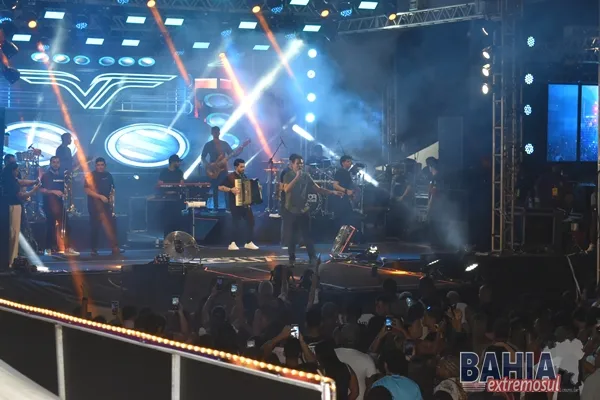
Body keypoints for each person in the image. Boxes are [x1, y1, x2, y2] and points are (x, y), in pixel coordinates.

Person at [282, 154, 343, 265]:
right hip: (291, 210)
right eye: (298, 163)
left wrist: (333, 192)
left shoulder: (306, 175)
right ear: (291, 164)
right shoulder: (288, 175)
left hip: (303, 209)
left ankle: (312, 257)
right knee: (292, 237)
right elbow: (286, 189)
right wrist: (296, 178)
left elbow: (318, 189)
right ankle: (292, 258)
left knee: (307, 235)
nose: (300, 165)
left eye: (302, 163)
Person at [2, 163, 39, 267]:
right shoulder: (12, 184)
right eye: (16, 170)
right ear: (12, 171)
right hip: (14, 207)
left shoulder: (10, 180)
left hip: (11, 207)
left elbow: (22, 182)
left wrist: (34, 181)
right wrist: (34, 190)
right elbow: (22, 195)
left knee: (14, 233)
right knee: (14, 233)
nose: (18, 172)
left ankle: (12, 258)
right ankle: (13, 259)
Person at [40, 156, 79, 256]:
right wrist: (53, 191)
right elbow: (41, 190)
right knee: (50, 226)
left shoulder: (62, 175)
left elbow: (65, 188)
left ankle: (68, 248)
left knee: (66, 225)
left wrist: (66, 193)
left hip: (60, 204)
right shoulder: (46, 176)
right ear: (50, 163)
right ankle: (48, 248)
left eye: (57, 162)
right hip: (48, 205)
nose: (56, 164)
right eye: (54, 162)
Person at [218, 158, 259, 251]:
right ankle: (232, 243)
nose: (243, 168)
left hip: (245, 204)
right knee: (236, 223)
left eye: (244, 166)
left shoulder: (244, 176)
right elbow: (220, 187)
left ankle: (248, 242)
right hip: (234, 203)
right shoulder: (230, 177)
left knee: (251, 221)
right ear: (236, 167)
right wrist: (230, 189)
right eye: (241, 167)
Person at [84, 157, 120, 256]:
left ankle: (114, 247)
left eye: (102, 165)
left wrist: (112, 201)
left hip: (107, 205)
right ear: (95, 166)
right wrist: (100, 196)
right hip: (94, 205)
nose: (100, 167)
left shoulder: (108, 175)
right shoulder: (91, 175)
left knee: (112, 226)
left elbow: (112, 189)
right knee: (95, 227)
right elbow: (87, 190)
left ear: (105, 166)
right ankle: (94, 249)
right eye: (98, 165)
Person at [335, 324, 378, 400]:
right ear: (358, 339)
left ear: (340, 338)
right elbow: (370, 387)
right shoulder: (367, 359)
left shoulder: (331, 355)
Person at [202, 126, 233, 212]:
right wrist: (208, 165)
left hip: (223, 169)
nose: (216, 133)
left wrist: (240, 149)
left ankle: (228, 208)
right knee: (215, 188)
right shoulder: (208, 145)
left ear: (219, 133)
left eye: (217, 132)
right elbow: (203, 157)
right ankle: (215, 207)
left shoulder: (224, 144)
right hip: (213, 170)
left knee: (226, 188)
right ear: (212, 133)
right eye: (214, 132)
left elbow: (232, 154)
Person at [157, 154, 185, 238]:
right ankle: (167, 238)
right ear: (173, 162)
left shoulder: (179, 172)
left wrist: (176, 189)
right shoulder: (164, 172)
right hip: (166, 200)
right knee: (167, 220)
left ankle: (177, 238)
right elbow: (160, 184)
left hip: (176, 199)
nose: (179, 164)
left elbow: (182, 184)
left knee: (177, 220)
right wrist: (167, 190)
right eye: (178, 162)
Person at [332, 155, 359, 232]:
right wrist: (346, 191)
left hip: (345, 199)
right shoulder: (340, 172)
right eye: (348, 161)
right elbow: (335, 185)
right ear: (343, 163)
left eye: (350, 161)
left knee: (347, 220)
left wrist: (351, 194)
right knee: (344, 220)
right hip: (340, 200)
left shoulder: (347, 172)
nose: (350, 163)